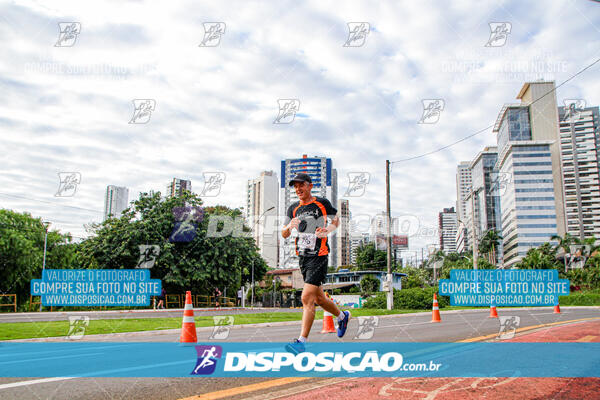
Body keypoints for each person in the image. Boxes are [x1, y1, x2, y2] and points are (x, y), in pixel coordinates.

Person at [281, 173, 350, 354]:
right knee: (319, 298)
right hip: (303, 257)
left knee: (306, 298)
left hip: (319, 256)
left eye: (301, 185)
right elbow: (284, 233)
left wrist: (328, 230)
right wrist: (289, 227)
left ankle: (301, 342)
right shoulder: (293, 208)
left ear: (310, 186)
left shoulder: (321, 203)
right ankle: (342, 316)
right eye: (295, 187)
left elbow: (336, 219)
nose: (298, 189)